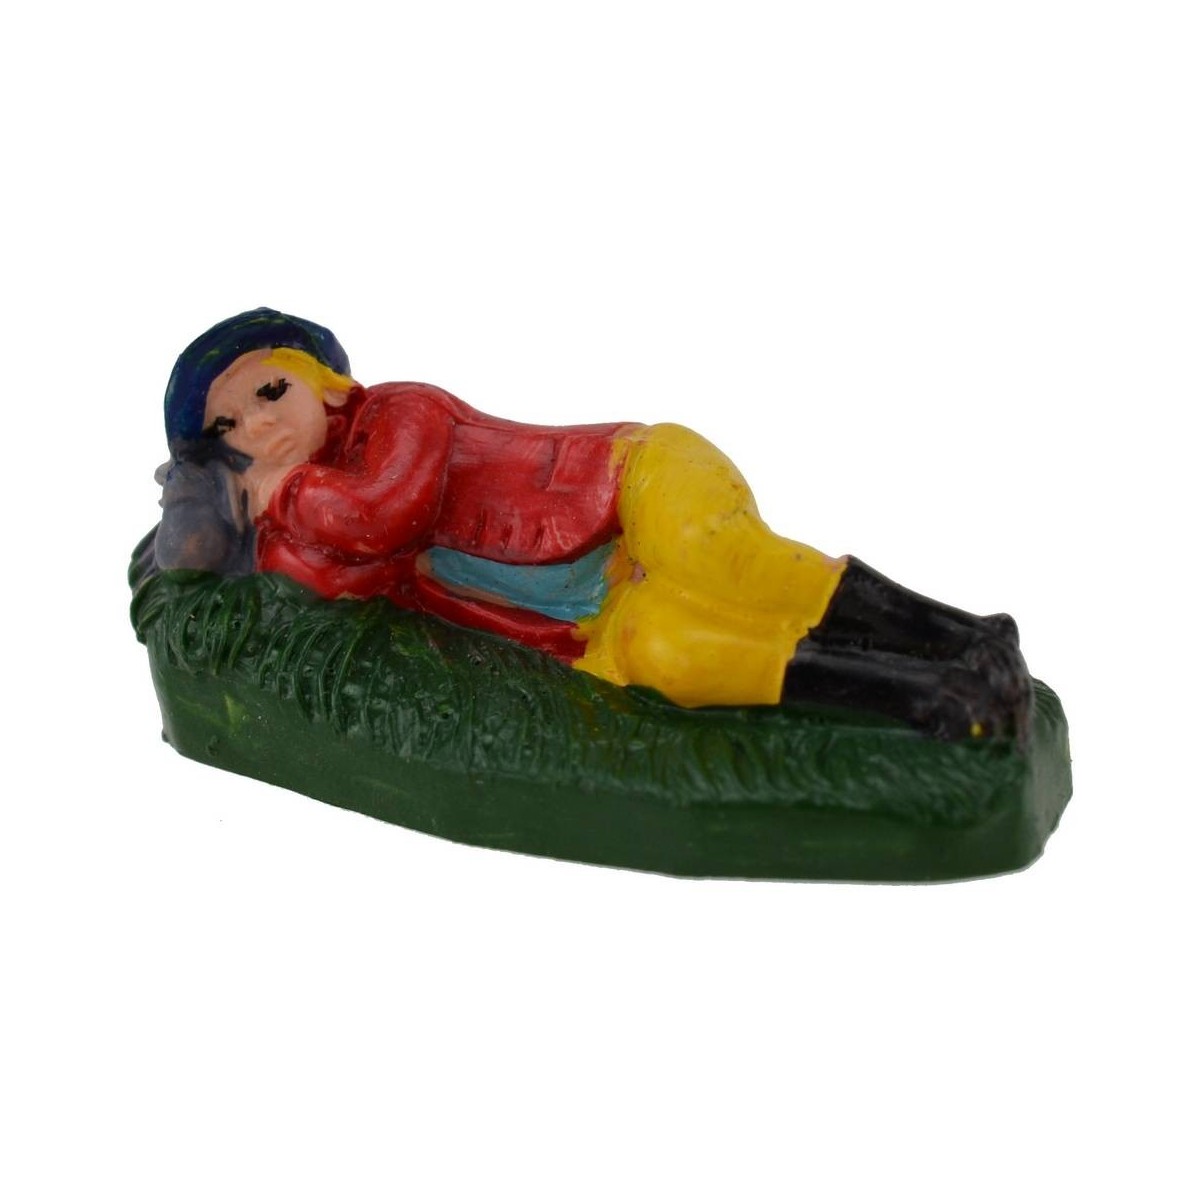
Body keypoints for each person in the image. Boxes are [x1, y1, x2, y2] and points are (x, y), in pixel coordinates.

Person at [156, 308, 1031, 739]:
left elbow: (384, 516)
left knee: (722, 561)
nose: (262, 426)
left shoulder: (399, 413)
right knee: (670, 658)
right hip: (583, 618)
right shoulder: (294, 518)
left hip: (626, 486)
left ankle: (957, 635)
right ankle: (926, 697)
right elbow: (326, 581)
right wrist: (213, 515)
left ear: (324, 380)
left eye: (271, 391)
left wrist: (281, 494)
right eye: (232, 427)